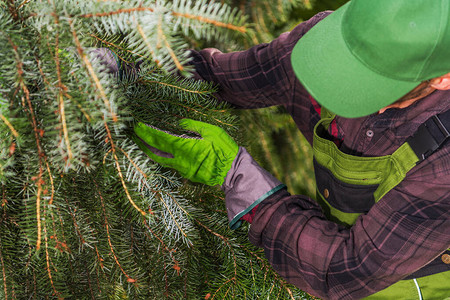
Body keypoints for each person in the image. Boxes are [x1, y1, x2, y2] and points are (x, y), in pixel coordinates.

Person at [133, 0, 450, 298]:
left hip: (406, 285)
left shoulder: (444, 162)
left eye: (376, 79)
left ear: (442, 77)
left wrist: (245, 184)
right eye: (353, 62)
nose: (348, 82)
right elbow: (225, 76)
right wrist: (129, 76)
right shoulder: (329, 43)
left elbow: (346, 269)